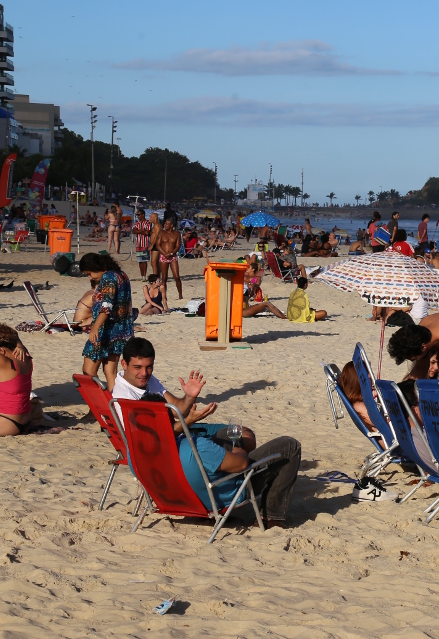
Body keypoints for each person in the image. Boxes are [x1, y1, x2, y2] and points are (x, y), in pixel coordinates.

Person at [124, 338, 301, 526]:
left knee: (220, 442)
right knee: (289, 445)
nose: (145, 373)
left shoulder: (133, 452)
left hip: (180, 499)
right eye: (138, 367)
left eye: (148, 367)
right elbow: (241, 465)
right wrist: (238, 446)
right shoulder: (195, 446)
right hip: (219, 498)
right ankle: (271, 516)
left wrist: (189, 400)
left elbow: (174, 418)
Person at [80, 253, 135, 393]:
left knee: (88, 371)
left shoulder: (108, 278)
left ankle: (97, 408)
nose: (90, 277)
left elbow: (107, 306)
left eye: (89, 273)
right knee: (110, 371)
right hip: (121, 331)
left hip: (105, 331)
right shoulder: (121, 274)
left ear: (97, 267)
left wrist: (95, 327)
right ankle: (115, 406)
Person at [0, 324, 34, 436]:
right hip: (25, 420)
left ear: (2, 350)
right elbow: (12, 332)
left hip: (7, 423)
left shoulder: (3, 362)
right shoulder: (26, 356)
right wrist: (20, 343)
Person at [156, 217, 184, 300]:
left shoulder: (177, 234)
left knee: (176, 276)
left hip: (173, 256)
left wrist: (171, 253)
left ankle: (180, 295)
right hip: (163, 256)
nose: (165, 225)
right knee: (164, 277)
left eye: (167, 224)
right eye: (165, 223)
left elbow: (178, 246)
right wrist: (164, 253)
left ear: (171, 225)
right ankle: (164, 296)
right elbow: (158, 245)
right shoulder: (161, 233)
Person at [131, 209, 153, 279]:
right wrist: (142, 230)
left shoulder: (148, 223)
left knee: (144, 260)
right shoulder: (137, 223)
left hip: (145, 243)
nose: (138, 216)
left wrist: (139, 231)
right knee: (140, 260)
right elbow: (134, 231)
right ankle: (141, 274)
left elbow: (147, 233)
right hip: (138, 244)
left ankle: (144, 275)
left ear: (143, 215)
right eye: (137, 215)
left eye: (139, 215)